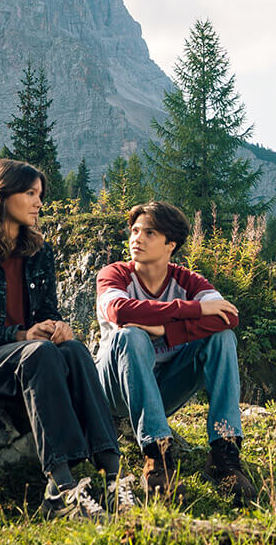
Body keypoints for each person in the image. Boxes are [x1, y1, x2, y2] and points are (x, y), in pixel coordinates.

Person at [0, 158, 120, 517]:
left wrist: (58, 327)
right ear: (0, 197)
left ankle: (112, 474)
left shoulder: (40, 252)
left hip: (30, 355)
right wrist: (22, 335)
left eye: (40, 194)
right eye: (29, 193)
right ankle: (61, 487)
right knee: (39, 353)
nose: (39, 202)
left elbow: (46, 313)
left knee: (72, 350)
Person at [95, 201, 256, 504]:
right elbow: (118, 310)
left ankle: (224, 454)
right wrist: (193, 310)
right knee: (132, 335)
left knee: (221, 337)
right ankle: (158, 458)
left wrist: (167, 331)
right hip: (113, 390)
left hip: (163, 390)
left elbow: (228, 317)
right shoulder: (114, 274)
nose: (136, 239)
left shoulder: (187, 281)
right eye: (134, 231)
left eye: (149, 233)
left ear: (171, 244)